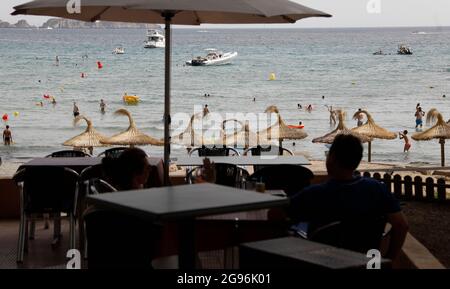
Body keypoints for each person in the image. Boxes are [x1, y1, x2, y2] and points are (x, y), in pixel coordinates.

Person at [289, 134, 408, 260]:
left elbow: (276, 215)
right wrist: (389, 259)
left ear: (331, 159)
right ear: (357, 160)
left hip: (322, 261)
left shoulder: (313, 194)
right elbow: (401, 225)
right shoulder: (377, 189)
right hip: (363, 261)